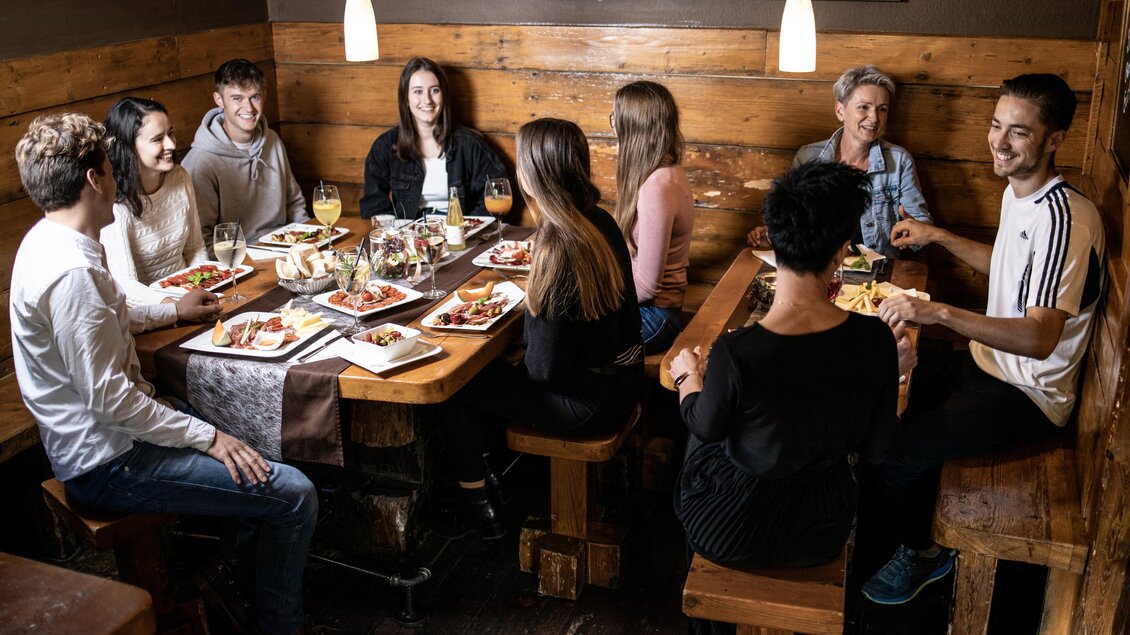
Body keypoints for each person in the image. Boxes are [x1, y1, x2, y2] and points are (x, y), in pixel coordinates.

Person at [12, 112, 318, 635]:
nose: (116, 178)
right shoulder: (72, 274)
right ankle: (278, 624)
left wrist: (173, 310)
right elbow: (113, 402)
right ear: (93, 179)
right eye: (111, 167)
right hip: (107, 464)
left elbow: (110, 315)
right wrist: (208, 437)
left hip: (114, 441)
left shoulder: (52, 240)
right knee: (295, 494)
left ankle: (227, 583)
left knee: (251, 435)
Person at [860, 73, 1105, 605]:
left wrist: (938, 312)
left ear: (1054, 139)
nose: (999, 142)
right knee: (881, 404)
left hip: (1029, 393)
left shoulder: (1066, 218)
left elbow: (1041, 338)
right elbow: (1012, 270)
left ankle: (924, 553)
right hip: (986, 363)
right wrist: (939, 237)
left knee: (896, 455)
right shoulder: (1021, 194)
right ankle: (873, 529)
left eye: (1018, 132)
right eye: (996, 126)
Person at [669, 161, 912, 593]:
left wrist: (689, 378)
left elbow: (704, 425)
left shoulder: (736, 350)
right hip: (820, 530)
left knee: (698, 439)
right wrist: (893, 377)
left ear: (772, 240)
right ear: (842, 251)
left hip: (730, 528)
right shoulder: (875, 341)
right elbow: (877, 451)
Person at [437, 118, 644, 538]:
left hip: (589, 406)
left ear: (533, 175)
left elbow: (545, 371)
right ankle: (493, 478)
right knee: (488, 373)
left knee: (453, 384)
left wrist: (522, 349)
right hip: (624, 382)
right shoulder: (598, 220)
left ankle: (478, 506)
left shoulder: (557, 245)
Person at [748, 65, 932, 259]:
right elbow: (792, 223)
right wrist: (772, 236)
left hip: (878, 279)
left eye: (882, 109)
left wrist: (914, 231)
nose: (874, 118)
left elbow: (923, 227)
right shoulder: (807, 157)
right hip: (819, 270)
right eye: (863, 107)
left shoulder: (900, 160)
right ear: (840, 111)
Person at [100, 97, 221, 328]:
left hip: (189, 300)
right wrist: (175, 308)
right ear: (128, 147)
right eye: (158, 139)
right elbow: (124, 283)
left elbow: (195, 248)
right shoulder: (117, 204)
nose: (172, 145)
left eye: (170, 134)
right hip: (147, 316)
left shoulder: (179, 177)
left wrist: (200, 292)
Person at [182, 58, 308, 255]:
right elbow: (200, 239)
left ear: (264, 95)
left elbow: (295, 205)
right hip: (239, 258)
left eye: (254, 97)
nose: (249, 108)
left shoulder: (272, 140)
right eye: (237, 98)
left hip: (287, 247)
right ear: (219, 99)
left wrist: (310, 245)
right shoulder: (201, 162)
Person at [360, 57, 506, 222]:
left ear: (444, 96)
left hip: (459, 234)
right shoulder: (385, 146)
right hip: (409, 235)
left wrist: (468, 228)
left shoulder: (470, 145)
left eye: (435, 90)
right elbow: (373, 204)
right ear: (406, 99)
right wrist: (397, 233)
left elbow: (498, 195)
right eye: (418, 91)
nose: (427, 100)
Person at [611, 81, 694, 354]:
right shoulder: (663, 173)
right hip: (647, 310)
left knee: (568, 346)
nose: (613, 129)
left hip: (655, 317)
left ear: (632, 128)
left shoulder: (658, 186)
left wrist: (598, 299)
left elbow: (646, 287)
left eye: (616, 120)